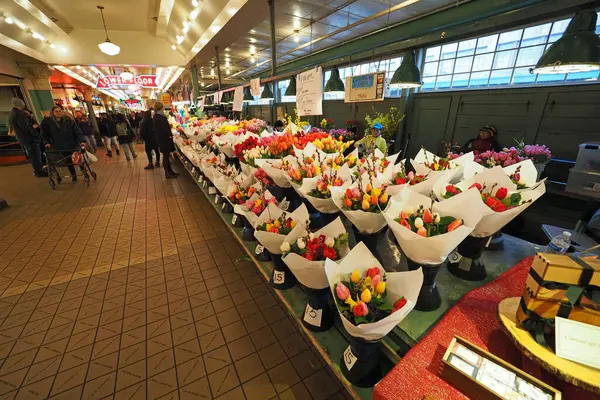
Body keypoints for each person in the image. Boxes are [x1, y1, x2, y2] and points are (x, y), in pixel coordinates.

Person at [41, 106, 87, 183]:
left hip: (72, 144)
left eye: (60, 111)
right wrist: (47, 142)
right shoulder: (49, 122)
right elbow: (44, 133)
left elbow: (77, 131)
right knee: (68, 161)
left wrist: (82, 140)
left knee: (78, 159)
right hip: (61, 146)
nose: (59, 113)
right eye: (56, 111)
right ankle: (74, 177)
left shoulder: (68, 120)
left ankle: (85, 173)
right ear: (52, 113)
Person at [8, 98, 47, 177]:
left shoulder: (14, 113)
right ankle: (39, 171)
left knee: (34, 155)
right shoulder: (18, 114)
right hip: (29, 139)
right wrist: (35, 135)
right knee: (35, 155)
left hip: (25, 139)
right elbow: (26, 128)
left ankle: (38, 170)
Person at [153, 102, 178, 178]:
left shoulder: (157, 116)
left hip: (163, 139)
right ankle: (167, 173)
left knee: (166, 156)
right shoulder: (159, 117)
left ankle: (170, 171)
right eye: (162, 107)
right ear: (160, 108)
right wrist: (169, 134)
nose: (163, 109)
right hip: (164, 140)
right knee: (166, 156)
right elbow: (162, 129)